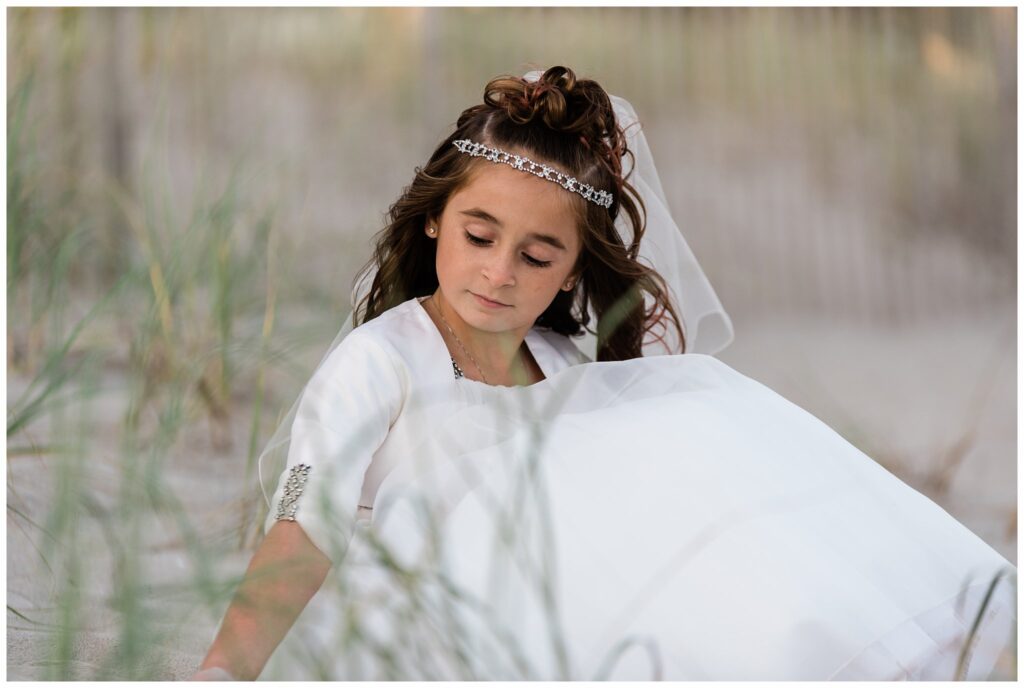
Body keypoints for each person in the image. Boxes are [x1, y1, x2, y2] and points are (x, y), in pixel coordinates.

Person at [191, 66, 1015, 681]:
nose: (500, 272)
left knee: (707, 423)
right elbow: (305, 525)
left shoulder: (558, 364)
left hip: (565, 591)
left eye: (538, 254)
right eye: (479, 236)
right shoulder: (380, 361)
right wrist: (222, 673)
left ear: (574, 270)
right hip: (449, 611)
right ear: (435, 216)